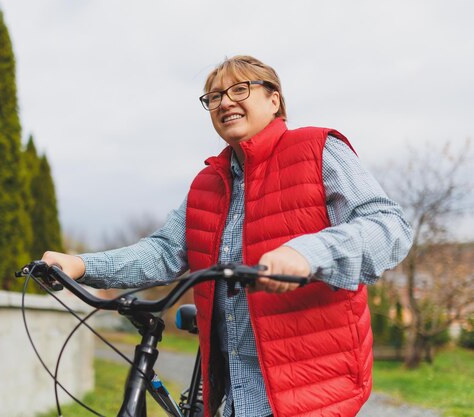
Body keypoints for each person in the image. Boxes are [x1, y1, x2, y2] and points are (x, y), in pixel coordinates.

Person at [42, 55, 412, 417]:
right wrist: (79, 264)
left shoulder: (318, 149)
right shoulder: (208, 182)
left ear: (274, 99)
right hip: (232, 389)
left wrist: (307, 253)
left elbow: (388, 226)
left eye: (240, 89)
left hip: (307, 388)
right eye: (214, 97)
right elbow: (166, 252)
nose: (225, 102)